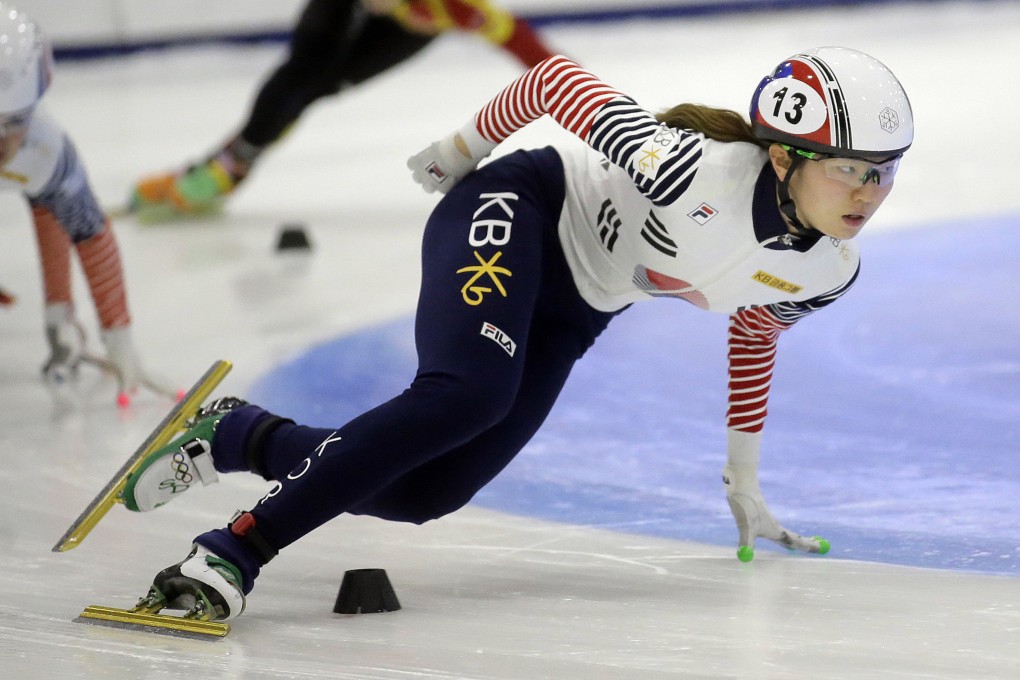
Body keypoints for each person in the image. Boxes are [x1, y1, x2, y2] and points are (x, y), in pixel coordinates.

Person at [118, 47, 913, 621]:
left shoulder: (827, 271)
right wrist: (460, 150)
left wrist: (744, 478)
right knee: (468, 393)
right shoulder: (687, 171)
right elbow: (554, 80)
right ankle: (232, 550)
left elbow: (753, 332)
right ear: (783, 156)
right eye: (850, 168)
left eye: (885, 170)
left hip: (578, 308)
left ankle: (239, 435)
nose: (869, 192)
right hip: (519, 208)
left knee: (428, 492)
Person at [129, 0, 555, 220]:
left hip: (407, 28)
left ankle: (226, 167)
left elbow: (519, 40)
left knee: (320, 87)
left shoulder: (455, 8)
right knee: (302, 71)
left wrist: (569, 83)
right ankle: (224, 168)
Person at [0, 4, 170, 404]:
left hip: (47, 171)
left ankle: (61, 325)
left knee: (50, 193)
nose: (2, 145)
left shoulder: (46, 150)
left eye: (13, 123)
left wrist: (120, 340)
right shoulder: (35, 147)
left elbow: (89, 231)